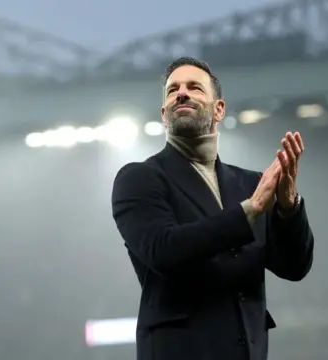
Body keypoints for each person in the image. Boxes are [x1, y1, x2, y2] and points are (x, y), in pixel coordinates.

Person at [111, 57, 314, 360]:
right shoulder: (139, 178)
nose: (182, 93)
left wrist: (288, 206)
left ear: (219, 109)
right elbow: (163, 250)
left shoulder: (250, 183)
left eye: (194, 87)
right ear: (164, 114)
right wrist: (250, 211)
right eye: (172, 90)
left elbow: (294, 267)